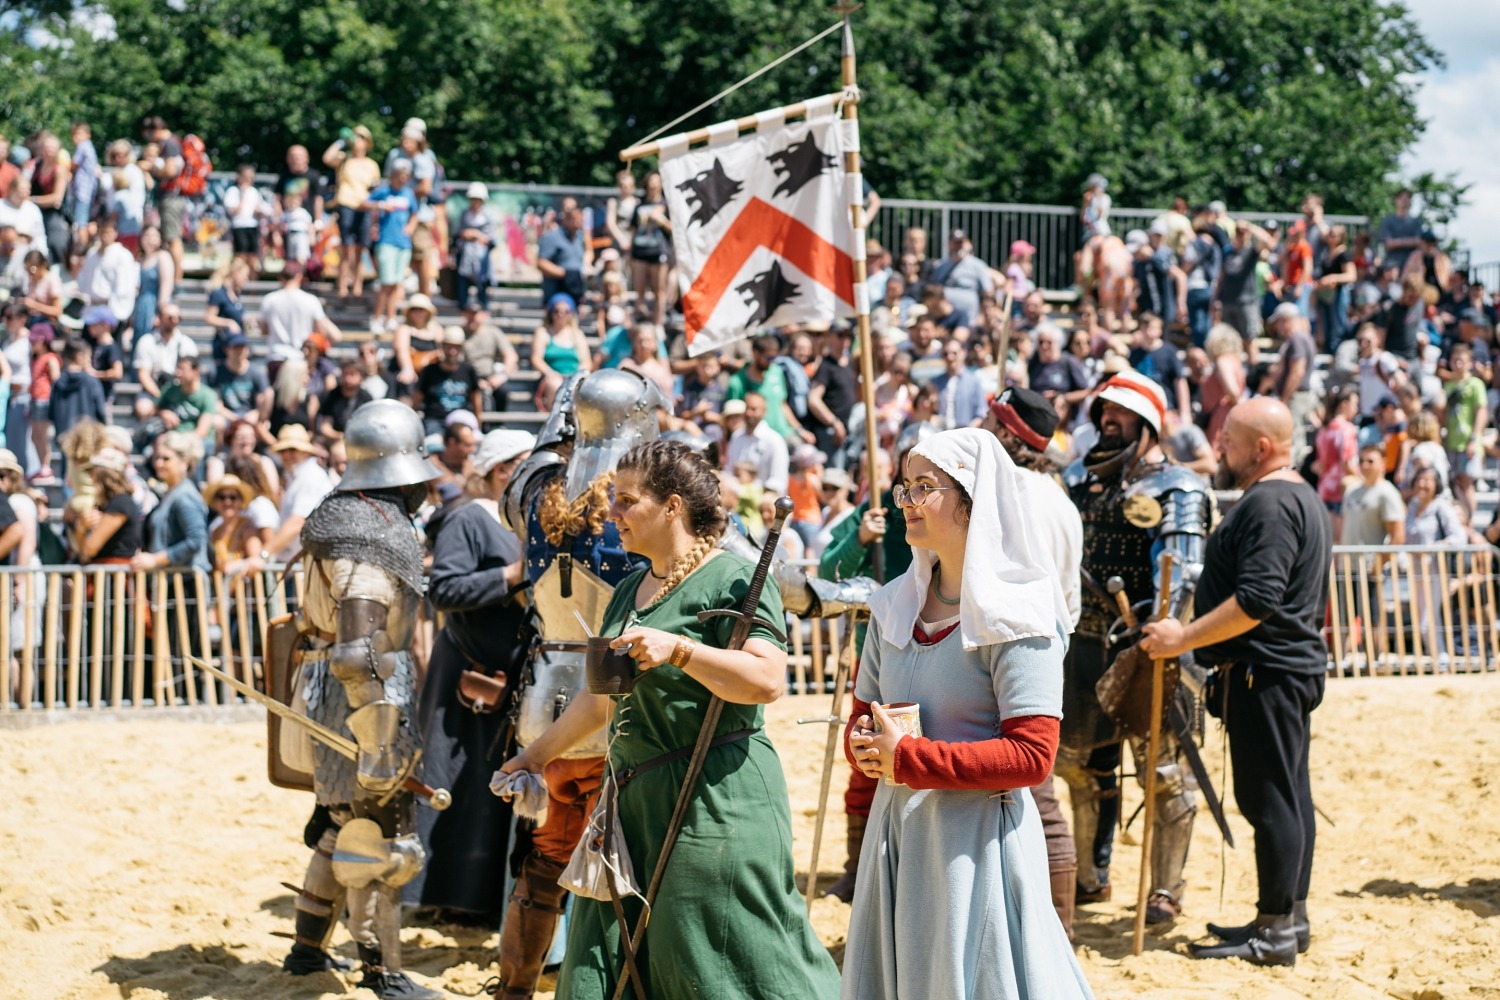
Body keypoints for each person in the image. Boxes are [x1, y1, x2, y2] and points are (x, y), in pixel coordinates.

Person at [496, 439, 841, 1000]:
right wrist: (534, 755)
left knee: (716, 960)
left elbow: (768, 680)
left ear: (673, 506)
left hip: (716, 797)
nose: (613, 515)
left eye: (627, 501)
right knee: (602, 962)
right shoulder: (631, 586)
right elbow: (601, 699)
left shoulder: (735, 577)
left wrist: (679, 649)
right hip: (629, 802)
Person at [839, 427, 1089, 999]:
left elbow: (1032, 757)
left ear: (972, 499)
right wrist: (865, 744)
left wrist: (913, 759)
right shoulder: (892, 607)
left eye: (924, 487)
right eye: (904, 488)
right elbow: (863, 718)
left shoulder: (1020, 615)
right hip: (899, 833)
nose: (906, 502)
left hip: (975, 849)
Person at [484, 369, 660, 999]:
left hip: (545, 704)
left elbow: (523, 475)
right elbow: (752, 567)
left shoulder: (537, 494)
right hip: (612, 701)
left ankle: (513, 990)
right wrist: (836, 596)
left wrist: (566, 412)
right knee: (622, 860)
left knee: (547, 858)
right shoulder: (646, 502)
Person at [1141, 397, 1332, 967]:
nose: (1217, 447)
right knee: (1289, 795)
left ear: (1263, 448)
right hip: (1279, 670)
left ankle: (1275, 932)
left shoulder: (1271, 504)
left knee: (1270, 801)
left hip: (1265, 671)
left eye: (1228, 439)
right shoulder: (1298, 497)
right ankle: (1284, 918)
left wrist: (1183, 638)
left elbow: (1256, 600)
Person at [277, 400, 444, 1000]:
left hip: (334, 689)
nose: (426, 484)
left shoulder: (341, 514)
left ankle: (304, 952)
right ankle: (384, 972)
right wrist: (377, 740)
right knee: (382, 833)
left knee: (339, 821)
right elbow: (358, 650)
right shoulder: (367, 529)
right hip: (362, 699)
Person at [1056, 369, 1211, 924]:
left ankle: (1165, 890)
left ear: (1149, 426)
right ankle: (1092, 876)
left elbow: (1183, 572)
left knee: (1165, 774)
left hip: (1151, 648)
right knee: (1078, 766)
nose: (1109, 424)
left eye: (1121, 416)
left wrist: (1159, 629)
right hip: (1085, 642)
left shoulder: (1179, 487)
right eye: (1104, 415)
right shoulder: (1077, 479)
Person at [408, 428, 536, 922]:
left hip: (509, 676)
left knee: (493, 787)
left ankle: (481, 900)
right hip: (467, 676)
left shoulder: (521, 522)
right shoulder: (469, 518)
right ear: (496, 471)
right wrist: (510, 576)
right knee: (456, 782)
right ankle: (445, 898)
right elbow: (443, 590)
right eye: (517, 465)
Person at [983, 386, 1084, 937]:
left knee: (1034, 786)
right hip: (1048, 640)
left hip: (1017, 643)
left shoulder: (1011, 493)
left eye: (990, 420)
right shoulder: (1058, 497)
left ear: (1006, 434)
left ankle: (1059, 929)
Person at [258, 261, 340, 381]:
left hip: (276, 357)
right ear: (299, 276)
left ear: (280, 277)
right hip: (301, 357)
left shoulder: (269, 300)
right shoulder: (311, 300)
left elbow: (264, 331)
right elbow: (320, 332)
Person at [323, 125, 379, 301]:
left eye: (360, 138)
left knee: (360, 249)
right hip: (346, 204)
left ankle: (357, 284)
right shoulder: (344, 159)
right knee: (346, 247)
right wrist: (342, 141)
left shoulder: (371, 165)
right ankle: (342, 285)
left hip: (364, 207)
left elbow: (374, 189)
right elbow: (327, 158)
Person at [365, 159, 420, 333]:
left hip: (403, 244)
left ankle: (390, 318)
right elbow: (363, 203)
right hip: (386, 242)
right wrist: (381, 205)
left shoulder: (409, 194)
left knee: (396, 284)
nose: (403, 178)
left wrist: (411, 227)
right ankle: (376, 317)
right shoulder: (383, 191)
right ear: (393, 175)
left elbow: (415, 214)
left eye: (406, 175)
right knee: (386, 283)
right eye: (400, 175)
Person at [263, 424, 330, 563]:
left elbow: (297, 522)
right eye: (282, 451)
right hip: (301, 564)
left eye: (292, 450)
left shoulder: (311, 476)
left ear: (305, 452)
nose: (287, 455)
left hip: (309, 566)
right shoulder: (298, 477)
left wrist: (263, 554)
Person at [1442, 343, 1487, 521]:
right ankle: (1462, 520)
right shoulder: (1449, 385)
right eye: (1454, 361)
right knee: (1456, 483)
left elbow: (1481, 411)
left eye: (1461, 361)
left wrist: (1474, 438)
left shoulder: (1475, 384)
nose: (1458, 364)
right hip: (1452, 441)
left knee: (1467, 482)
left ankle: (1471, 520)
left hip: (1468, 441)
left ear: (1469, 362)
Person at [414, 327, 482, 436]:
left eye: (456, 347)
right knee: (434, 445)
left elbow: (476, 397)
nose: (452, 351)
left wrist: (478, 423)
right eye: (449, 346)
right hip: (435, 419)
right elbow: (417, 398)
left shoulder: (468, 370)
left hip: (460, 419)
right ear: (442, 347)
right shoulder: (429, 371)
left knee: (467, 442)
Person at [1313, 387, 1360, 540]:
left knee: (1328, 541)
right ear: (1344, 404)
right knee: (1341, 542)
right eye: (1354, 404)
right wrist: (1364, 480)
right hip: (1342, 492)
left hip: (1324, 490)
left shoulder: (1324, 430)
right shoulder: (1347, 429)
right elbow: (1348, 463)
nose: (1356, 409)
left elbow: (1318, 465)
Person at [76, 219, 139, 330]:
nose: (105, 236)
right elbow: (84, 279)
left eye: (108, 233)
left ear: (115, 234)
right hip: (91, 308)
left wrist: (116, 313)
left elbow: (125, 287)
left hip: (110, 310)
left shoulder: (122, 256)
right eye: (102, 232)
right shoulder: (92, 254)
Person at [627, 174, 671, 325]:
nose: (654, 186)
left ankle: (658, 324)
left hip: (659, 251)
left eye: (657, 182)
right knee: (639, 290)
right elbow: (633, 229)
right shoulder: (640, 205)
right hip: (640, 250)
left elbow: (674, 230)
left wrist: (661, 220)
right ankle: (641, 321)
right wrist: (630, 253)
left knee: (659, 291)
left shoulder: (667, 204)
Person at [202, 474, 262, 576]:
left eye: (233, 497)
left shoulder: (247, 527)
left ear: (240, 501)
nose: (227, 502)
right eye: (221, 497)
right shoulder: (215, 530)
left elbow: (257, 559)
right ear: (215, 501)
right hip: (222, 589)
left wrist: (239, 565)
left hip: (243, 589)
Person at [531, 293, 592, 388]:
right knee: (555, 385)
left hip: (574, 377)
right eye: (556, 311)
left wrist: (577, 375)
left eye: (565, 312)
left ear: (571, 313)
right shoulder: (543, 332)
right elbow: (536, 359)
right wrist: (550, 373)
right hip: (550, 377)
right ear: (551, 313)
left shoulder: (577, 334)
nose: (561, 315)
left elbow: (586, 361)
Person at [390, 293, 444, 399]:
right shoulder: (404, 328)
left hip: (428, 371)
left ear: (427, 312)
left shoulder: (436, 329)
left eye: (420, 309)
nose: (417, 313)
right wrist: (407, 368)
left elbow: (441, 352)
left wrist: (427, 357)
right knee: (406, 381)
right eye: (414, 309)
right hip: (408, 370)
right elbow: (402, 350)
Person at [539, 199, 589, 308]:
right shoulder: (552, 237)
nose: (578, 224)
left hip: (575, 290)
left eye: (580, 221)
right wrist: (565, 274)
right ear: (566, 218)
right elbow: (542, 263)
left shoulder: (579, 238)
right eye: (575, 220)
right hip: (557, 291)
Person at [453, 182, 496, 311]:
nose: (475, 202)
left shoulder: (488, 216)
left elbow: (490, 240)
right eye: (473, 199)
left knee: (482, 282)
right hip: (465, 254)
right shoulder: (464, 214)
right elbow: (458, 234)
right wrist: (467, 235)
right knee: (462, 281)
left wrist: (476, 235)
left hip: (481, 256)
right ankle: (462, 305)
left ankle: (483, 306)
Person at [205, 258, 252, 366]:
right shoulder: (219, 293)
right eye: (244, 275)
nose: (246, 279)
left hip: (238, 344)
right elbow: (209, 317)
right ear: (235, 273)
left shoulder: (236, 295)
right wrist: (229, 323)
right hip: (224, 345)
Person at [319, 360, 374, 440]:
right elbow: (325, 427)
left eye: (352, 374)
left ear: (361, 377)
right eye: (345, 374)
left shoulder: (366, 399)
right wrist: (342, 437)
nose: (347, 379)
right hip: (336, 440)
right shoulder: (331, 396)